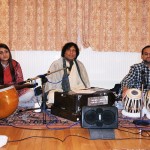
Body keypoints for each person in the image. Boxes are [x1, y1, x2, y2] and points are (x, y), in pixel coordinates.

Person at [0, 43, 36, 108]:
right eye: (1, 53)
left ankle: (13, 104)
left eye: (6, 52)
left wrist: (23, 86)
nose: (4, 55)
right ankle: (16, 104)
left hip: (14, 91)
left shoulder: (15, 64)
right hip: (2, 94)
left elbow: (20, 81)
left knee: (31, 93)